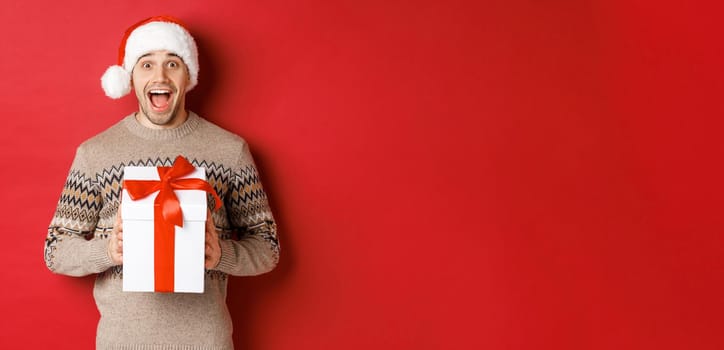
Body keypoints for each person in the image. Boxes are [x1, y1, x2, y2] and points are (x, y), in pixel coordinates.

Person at [43, 15, 279, 349]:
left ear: (188, 76)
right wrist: (107, 250)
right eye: (146, 64)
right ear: (130, 77)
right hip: (122, 342)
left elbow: (268, 247)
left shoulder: (230, 151)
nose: (160, 75)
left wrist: (221, 254)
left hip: (205, 342)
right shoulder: (96, 153)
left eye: (172, 63)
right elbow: (55, 250)